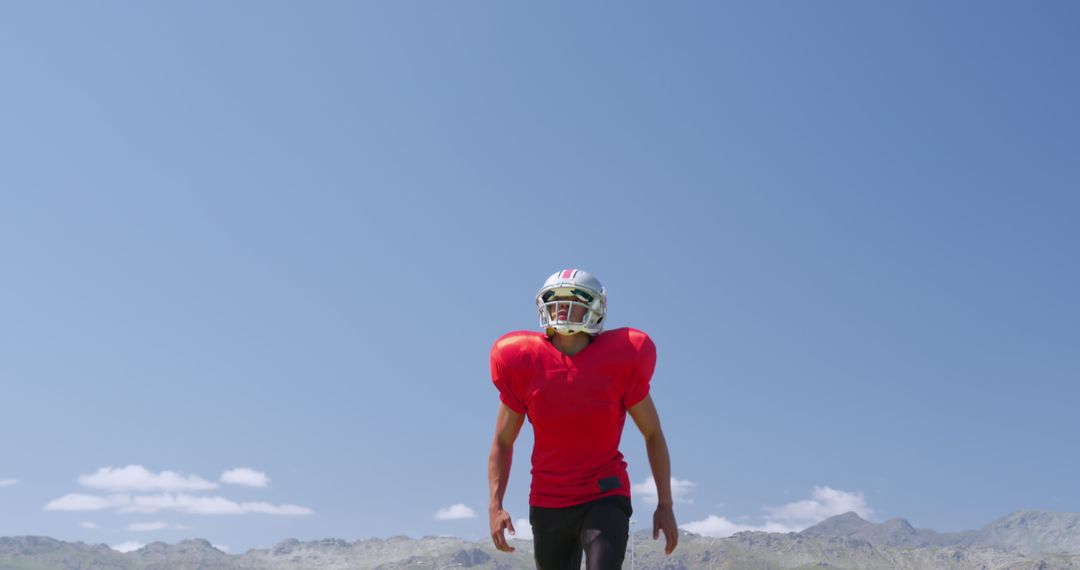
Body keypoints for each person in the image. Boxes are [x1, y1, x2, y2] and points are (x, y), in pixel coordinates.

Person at [487, 268, 678, 570]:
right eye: (555, 300)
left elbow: (652, 433)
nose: (562, 307)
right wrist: (495, 505)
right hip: (548, 498)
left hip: (604, 494)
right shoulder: (523, 362)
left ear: (595, 308)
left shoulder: (621, 359)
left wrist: (665, 504)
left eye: (572, 299)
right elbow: (503, 440)